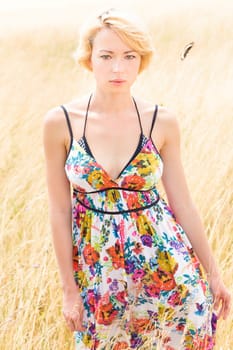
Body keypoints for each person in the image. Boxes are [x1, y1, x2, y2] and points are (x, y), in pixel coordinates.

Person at [43, 8, 231, 350]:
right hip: (98, 275)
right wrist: (69, 288)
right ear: (89, 58)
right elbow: (59, 211)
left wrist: (214, 273)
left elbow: (183, 204)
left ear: (141, 60)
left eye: (130, 56)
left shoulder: (161, 121)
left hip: (169, 272)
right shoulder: (61, 123)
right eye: (107, 56)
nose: (118, 68)